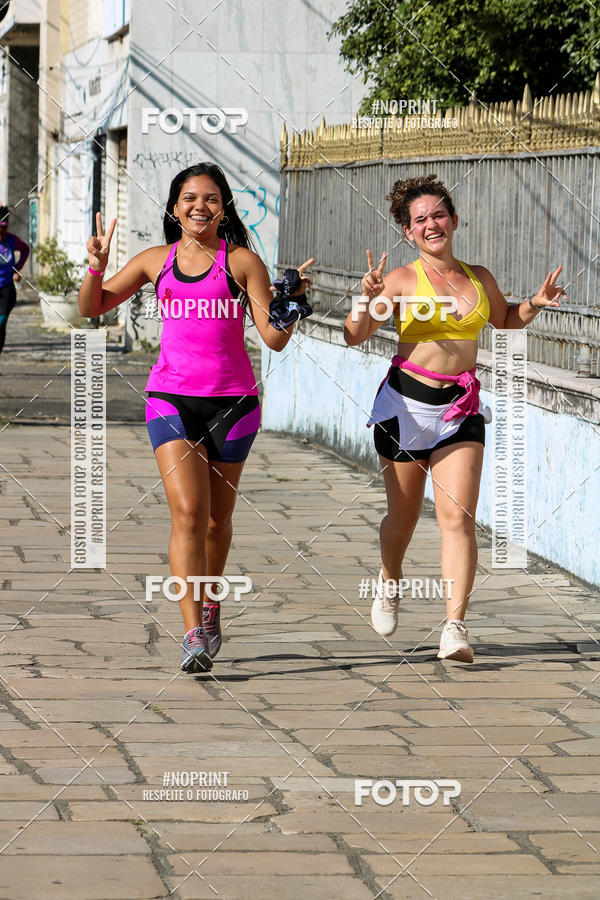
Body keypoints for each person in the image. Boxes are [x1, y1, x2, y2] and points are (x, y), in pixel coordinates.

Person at [79, 163, 313, 673]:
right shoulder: (154, 262)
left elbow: (271, 338)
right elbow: (91, 307)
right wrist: (95, 264)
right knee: (187, 513)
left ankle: (210, 604)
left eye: (210, 199)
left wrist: (292, 306)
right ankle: (191, 633)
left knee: (216, 520)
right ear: (174, 206)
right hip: (171, 400)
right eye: (189, 198)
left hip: (234, 407)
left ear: (223, 208)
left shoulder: (243, 263)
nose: (199, 207)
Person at [344, 174, 565, 663]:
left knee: (458, 519)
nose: (431, 224)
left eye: (438, 215)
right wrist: (367, 295)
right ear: (408, 232)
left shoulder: (478, 276)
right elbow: (354, 336)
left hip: (459, 410)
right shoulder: (399, 280)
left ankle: (455, 628)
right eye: (419, 219)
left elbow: (505, 319)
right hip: (405, 407)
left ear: (455, 220)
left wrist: (536, 303)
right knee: (402, 519)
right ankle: (390, 579)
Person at [0, 205, 30, 355]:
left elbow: (25, 249)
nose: (2, 234)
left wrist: (18, 268)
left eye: (4, 229)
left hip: (6, 289)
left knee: (1, 323)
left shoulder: (12, 240)